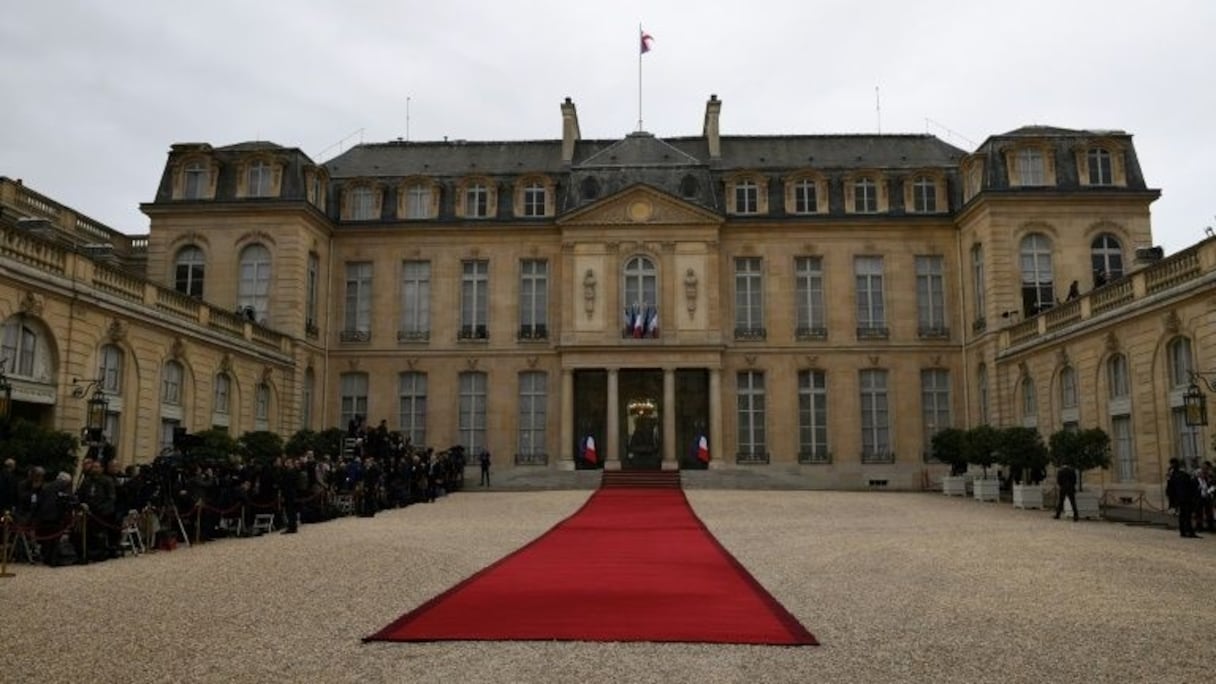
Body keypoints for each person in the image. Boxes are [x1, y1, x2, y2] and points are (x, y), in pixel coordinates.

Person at [1167, 458, 1200, 538]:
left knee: (1183, 515)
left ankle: (1183, 532)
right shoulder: (1183, 475)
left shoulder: (1174, 474)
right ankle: (1189, 531)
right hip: (1186, 497)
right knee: (1187, 515)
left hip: (1180, 498)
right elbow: (1191, 486)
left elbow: (1170, 488)